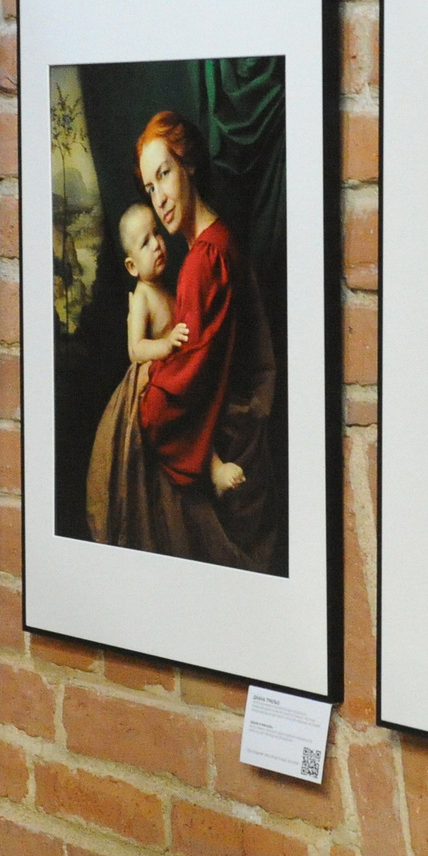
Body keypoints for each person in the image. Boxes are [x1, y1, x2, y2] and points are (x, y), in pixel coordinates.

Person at [87, 112, 281, 570]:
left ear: (188, 164)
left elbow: (192, 376)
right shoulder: (217, 242)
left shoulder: (203, 260)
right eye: (150, 189)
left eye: (165, 175)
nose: (160, 199)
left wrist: (149, 404)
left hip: (221, 435)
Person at [86, 202, 189, 540]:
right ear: (131, 265)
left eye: (157, 234)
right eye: (145, 243)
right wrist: (168, 345)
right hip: (145, 391)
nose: (158, 244)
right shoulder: (143, 295)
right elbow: (135, 349)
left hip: (172, 380)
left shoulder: (168, 288)